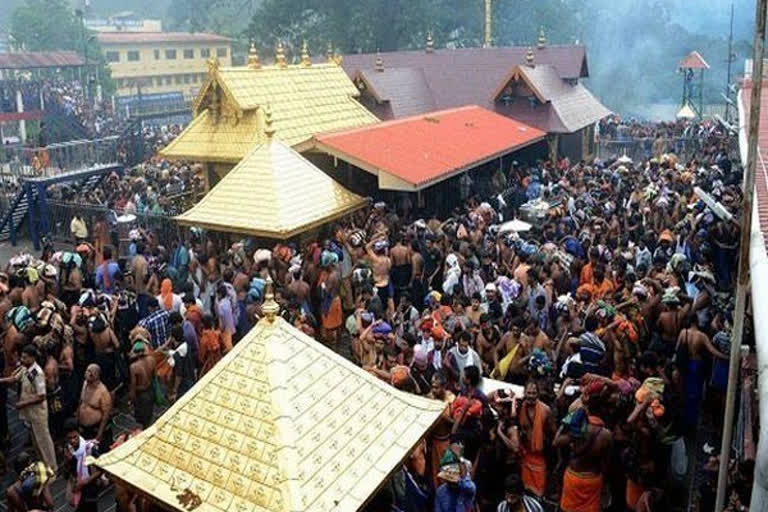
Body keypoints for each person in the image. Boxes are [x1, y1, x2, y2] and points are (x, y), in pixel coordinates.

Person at [0, 345, 57, 472]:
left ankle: (52, 468)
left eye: (25, 357)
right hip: (30, 413)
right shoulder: (25, 369)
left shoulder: (37, 373)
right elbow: (14, 378)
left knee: (44, 442)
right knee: (36, 442)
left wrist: (23, 403)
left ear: (32, 358)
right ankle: (43, 464)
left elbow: (41, 396)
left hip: (38, 414)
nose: (22, 359)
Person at [518, 381, 554, 498]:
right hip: (525, 455)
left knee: (538, 492)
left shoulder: (546, 411)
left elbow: (553, 432)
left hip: (540, 456)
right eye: (528, 393)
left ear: (538, 394)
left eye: (534, 393)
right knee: (525, 491)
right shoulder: (520, 407)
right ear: (524, 393)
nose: (531, 396)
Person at [63, 418, 103, 512]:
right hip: (77, 488)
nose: (72, 441)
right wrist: (67, 462)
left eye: (74, 437)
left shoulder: (90, 448)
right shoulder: (67, 450)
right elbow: (66, 475)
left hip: (89, 490)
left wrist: (85, 482)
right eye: (69, 438)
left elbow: (102, 469)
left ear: (79, 433)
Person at [77, 363, 113, 446]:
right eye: (87, 370)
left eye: (90, 371)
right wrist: (78, 420)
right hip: (83, 428)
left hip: (95, 429)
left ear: (96, 375)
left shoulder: (103, 392)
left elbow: (106, 415)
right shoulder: (85, 384)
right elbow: (81, 402)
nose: (86, 373)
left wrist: (99, 434)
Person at [128, 341, 156, 429]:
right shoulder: (152, 359)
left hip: (141, 394)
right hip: (150, 390)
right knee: (149, 414)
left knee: (144, 419)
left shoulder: (134, 367)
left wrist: (132, 400)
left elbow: (133, 385)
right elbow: (154, 375)